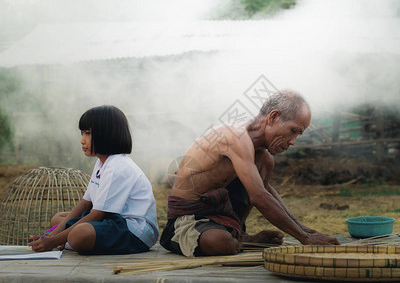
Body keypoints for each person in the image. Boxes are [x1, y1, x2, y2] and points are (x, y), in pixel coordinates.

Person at [160, 90, 339, 257]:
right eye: (293, 131)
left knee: (265, 161)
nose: (293, 142)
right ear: (274, 117)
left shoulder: (262, 156)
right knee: (221, 243)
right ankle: (240, 241)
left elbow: (266, 192)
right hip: (186, 220)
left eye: (298, 135)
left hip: (222, 218)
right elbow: (259, 197)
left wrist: (308, 231)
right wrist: (305, 239)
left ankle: (240, 235)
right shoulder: (234, 136)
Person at [29, 105, 159, 255]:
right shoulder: (101, 162)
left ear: (106, 135)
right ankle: (67, 241)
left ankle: (69, 242)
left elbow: (97, 214)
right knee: (58, 219)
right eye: (82, 133)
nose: (82, 141)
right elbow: (85, 203)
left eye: (88, 134)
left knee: (79, 234)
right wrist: (49, 236)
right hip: (111, 220)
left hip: (134, 231)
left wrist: (53, 241)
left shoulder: (118, 166)